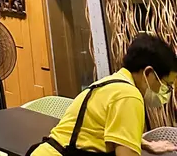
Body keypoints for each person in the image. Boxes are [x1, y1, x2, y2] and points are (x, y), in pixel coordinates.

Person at [28, 34, 177, 156]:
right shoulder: (129, 97)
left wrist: (147, 145)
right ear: (149, 73)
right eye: (167, 84)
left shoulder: (111, 84)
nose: (167, 92)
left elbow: (104, 130)